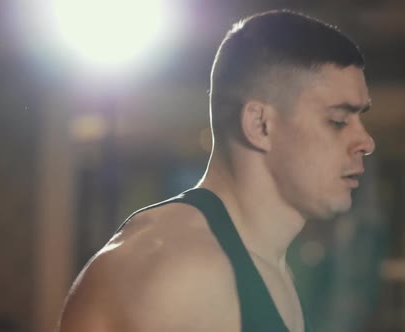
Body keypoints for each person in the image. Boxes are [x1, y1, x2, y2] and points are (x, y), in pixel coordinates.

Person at [57, 9, 375, 332]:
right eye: (338, 121)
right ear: (260, 124)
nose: (365, 141)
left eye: (361, 119)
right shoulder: (183, 272)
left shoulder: (265, 264)